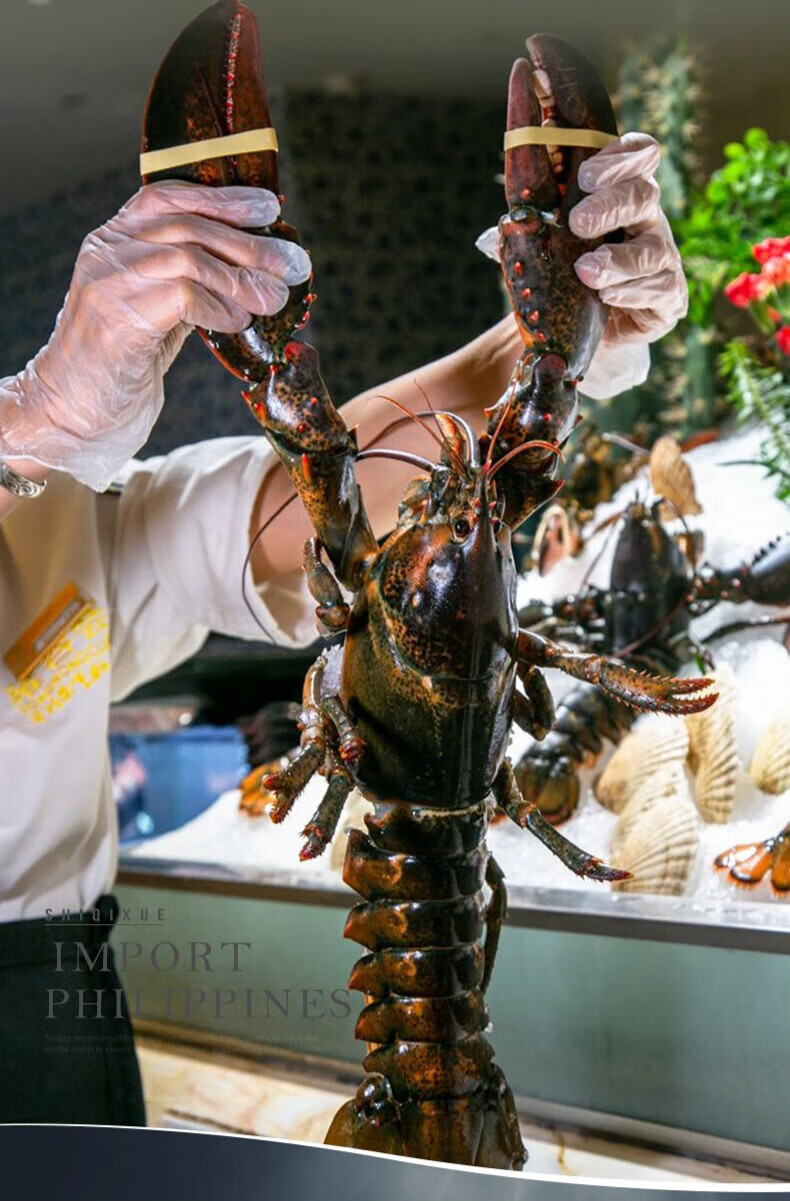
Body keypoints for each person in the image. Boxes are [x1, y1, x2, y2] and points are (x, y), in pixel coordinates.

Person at [0, 132, 686, 1126]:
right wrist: (31, 426)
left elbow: (315, 501)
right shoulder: (37, 449)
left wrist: (550, 353)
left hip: (52, 995)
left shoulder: (69, 513)